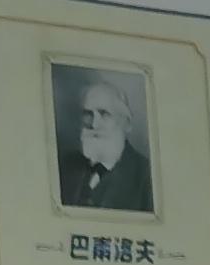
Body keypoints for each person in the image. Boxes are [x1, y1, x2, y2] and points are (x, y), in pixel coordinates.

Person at [58, 71, 154, 213]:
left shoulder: (147, 177)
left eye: (104, 114)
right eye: (88, 114)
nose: (94, 124)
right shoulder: (66, 167)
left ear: (126, 123)